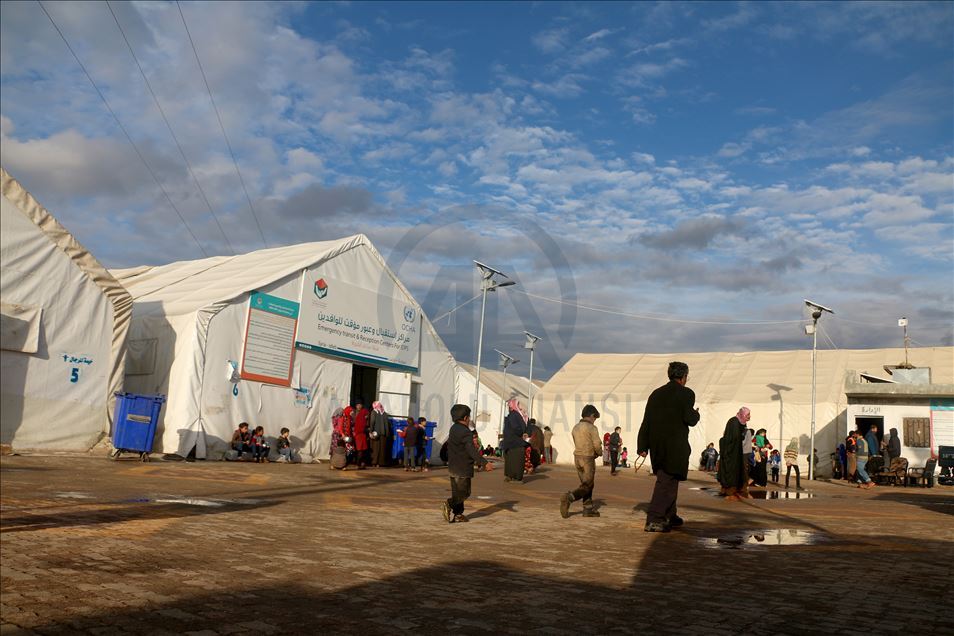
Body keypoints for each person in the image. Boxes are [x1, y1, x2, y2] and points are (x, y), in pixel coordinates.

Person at [637, 361, 701, 532]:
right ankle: (654, 519)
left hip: (657, 446)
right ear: (684, 377)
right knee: (665, 482)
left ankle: (670, 514)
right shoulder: (686, 393)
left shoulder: (656, 394)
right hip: (675, 446)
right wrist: (696, 414)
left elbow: (646, 421)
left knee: (670, 480)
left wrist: (642, 446)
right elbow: (690, 419)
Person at [442, 404, 493, 523]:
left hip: (453, 467)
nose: (469, 419)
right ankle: (449, 504)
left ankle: (458, 515)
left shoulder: (453, 428)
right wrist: (484, 463)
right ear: (465, 418)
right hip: (462, 467)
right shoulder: (465, 432)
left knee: (457, 492)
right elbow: (471, 450)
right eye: (469, 417)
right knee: (465, 493)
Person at [560, 404, 603, 519]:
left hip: (577, 458)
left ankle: (588, 509)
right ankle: (569, 498)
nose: (594, 420)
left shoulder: (576, 427)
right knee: (587, 485)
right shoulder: (592, 428)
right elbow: (597, 444)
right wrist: (599, 452)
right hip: (587, 458)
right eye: (595, 418)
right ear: (592, 415)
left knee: (586, 484)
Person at [717, 408, 749, 500]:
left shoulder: (738, 422)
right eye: (747, 415)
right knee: (731, 471)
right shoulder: (734, 422)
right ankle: (730, 491)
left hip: (734, 452)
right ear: (742, 414)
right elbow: (734, 438)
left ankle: (729, 490)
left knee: (734, 470)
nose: (749, 417)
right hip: (731, 452)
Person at [502, 398, 529, 483]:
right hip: (515, 442)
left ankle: (511, 476)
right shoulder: (516, 415)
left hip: (511, 442)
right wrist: (521, 433)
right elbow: (518, 428)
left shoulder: (512, 415)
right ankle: (515, 477)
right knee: (516, 461)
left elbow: (514, 428)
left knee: (511, 461)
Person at [369, 401, 390, 468]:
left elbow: (372, 422)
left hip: (376, 433)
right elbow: (387, 424)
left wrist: (371, 431)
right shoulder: (384, 413)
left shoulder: (374, 412)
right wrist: (387, 434)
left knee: (375, 448)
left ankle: (374, 462)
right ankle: (380, 463)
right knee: (382, 448)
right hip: (383, 434)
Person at [352, 401, 370, 469]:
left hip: (363, 434)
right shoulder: (354, 413)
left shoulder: (364, 413)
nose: (359, 406)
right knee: (359, 450)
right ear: (356, 406)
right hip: (357, 434)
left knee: (363, 450)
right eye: (358, 405)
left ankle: (361, 463)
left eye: (360, 405)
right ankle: (357, 464)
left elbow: (367, 424)